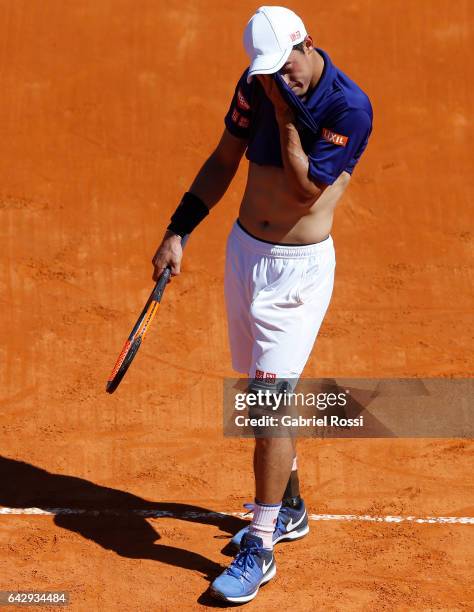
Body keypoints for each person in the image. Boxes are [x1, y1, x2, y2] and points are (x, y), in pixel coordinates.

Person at [152, 5, 373, 604]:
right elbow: (225, 159)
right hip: (245, 257)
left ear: (306, 43)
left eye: (284, 68)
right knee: (257, 395)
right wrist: (180, 229)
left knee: (269, 403)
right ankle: (291, 503)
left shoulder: (347, 106)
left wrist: (285, 113)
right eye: (268, 72)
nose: (279, 79)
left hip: (298, 276)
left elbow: (306, 187)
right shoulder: (257, 85)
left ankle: (262, 545)